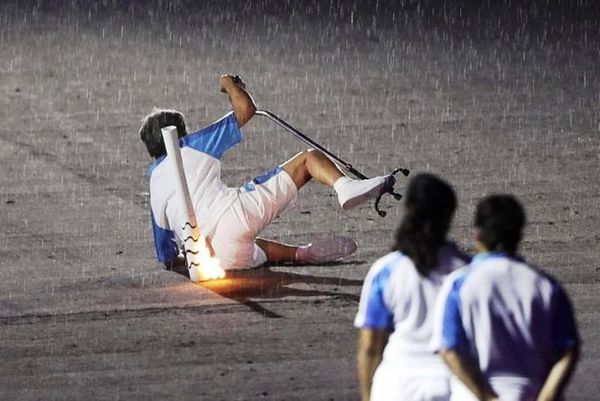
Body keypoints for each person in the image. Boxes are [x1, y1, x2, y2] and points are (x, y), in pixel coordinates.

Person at [140, 74, 394, 270]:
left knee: (249, 245)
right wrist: (229, 84)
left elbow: (166, 256)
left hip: (216, 257)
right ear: (181, 133)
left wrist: (192, 255)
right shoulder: (191, 144)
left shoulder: (154, 184)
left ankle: (301, 254)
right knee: (306, 160)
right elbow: (245, 109)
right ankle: (344, 187)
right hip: (235, 214)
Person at [431, 194, 580, 401]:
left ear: (478, 234)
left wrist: (486, 395)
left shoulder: (459, 284)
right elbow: (567, 350)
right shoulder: (545, 285)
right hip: (531, 392)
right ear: (519, 233)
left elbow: (449, 350)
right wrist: (547, 395)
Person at [354, 173, 470, 401]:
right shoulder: (467, 272)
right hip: (451, 385)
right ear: (449, 216)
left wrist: (368, 396)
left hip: (397, 386)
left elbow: (370, 348)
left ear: (408, 210)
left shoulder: (386, 271)